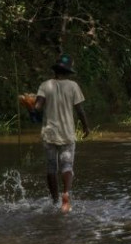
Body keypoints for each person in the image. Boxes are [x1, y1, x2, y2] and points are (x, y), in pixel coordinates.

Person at [33, 53, 90, 214]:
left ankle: (54, 200)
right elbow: (80, 110)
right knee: (67, 166)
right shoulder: (73, 86)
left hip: (49, 133)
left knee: (51, 167)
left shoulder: (45, 85)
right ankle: (66, 195)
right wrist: (86, 127)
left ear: (55, 71)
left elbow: (37, 107)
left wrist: (30, 106)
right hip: (67, 133)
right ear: (68, 72)